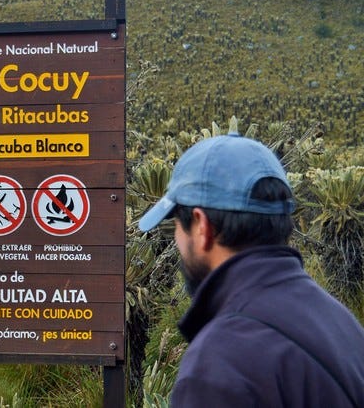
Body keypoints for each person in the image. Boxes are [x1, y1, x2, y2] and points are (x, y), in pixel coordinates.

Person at [138, 131, 364, 407]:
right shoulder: (339, 322)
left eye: (176, 225)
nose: (177, 239)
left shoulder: (219, 365)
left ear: (201, 226)